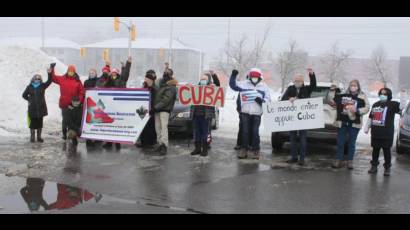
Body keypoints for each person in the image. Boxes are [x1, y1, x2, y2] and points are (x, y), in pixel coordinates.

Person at [229, 68, 270, 160]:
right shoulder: (244, 84)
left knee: (255, 132)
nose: (254, 78)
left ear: (259, 77)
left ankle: (256, 150)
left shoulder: (264, 86)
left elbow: (268, 99)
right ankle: (244, 149)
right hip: (245, 112)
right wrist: (233, 75)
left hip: (257, 113)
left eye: (256, 77)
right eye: (252, 77)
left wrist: (262, 101)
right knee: (245, 131)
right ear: (250, 76)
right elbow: (233, 86)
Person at [365, 88, 405, 176]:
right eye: (381, 93)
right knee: (375, 150)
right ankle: (374, 166)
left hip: (387, 133)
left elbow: (402, 107)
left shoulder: (393, 104)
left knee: (386, 151)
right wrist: (367, 127)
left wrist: (403, 95)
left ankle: (387, 168)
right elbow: (371, 117)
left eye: (385, 94)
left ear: (389, 95)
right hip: (376, 133)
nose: (382, 95)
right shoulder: (375, 104)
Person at [281, 68, 317, 166]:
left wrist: (311, 74)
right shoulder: (290, 89)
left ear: (302, 82)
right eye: (296, 80)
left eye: (299, 80)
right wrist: (289, 99)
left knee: (302, 139)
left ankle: (302, 158)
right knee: (292, 139)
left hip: (303, 119)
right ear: (294, 81)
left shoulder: (306, 89)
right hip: (292, 119)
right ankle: (294, 157)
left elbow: (314, 85)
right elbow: (283, 99)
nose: (297, 82)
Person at [332, 79, 370, 169]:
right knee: (340, 142)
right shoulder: (343, 94)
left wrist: (357, 110)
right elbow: (333, 101)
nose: (353, 87)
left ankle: (350, 161)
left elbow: (367, 107)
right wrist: (333, 91)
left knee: (351, 143)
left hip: (354, 123)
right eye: (351, 85)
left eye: (355, 85)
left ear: (358, 86)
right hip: (342, 121)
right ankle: (339, 160)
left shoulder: (362, 96)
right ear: (349, 86)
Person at [100, 57, 132, 150]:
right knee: (110, 124)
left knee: (118, 123)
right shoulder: (108, 81)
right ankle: (109, 142)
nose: (113, 74)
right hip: (110, 106)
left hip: (119, 105)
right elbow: (103, 85)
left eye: (115, 73)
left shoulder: (122, 80)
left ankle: (118, 142)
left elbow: (125, 74)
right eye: (112, 73)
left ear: (117, 74)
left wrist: (128, 64)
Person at [50, 63, 85, 140]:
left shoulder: (77, 82)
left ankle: (72, 134)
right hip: (64, 104)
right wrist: (52, 68)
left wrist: (79, 100)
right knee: (65, 119)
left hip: (73, 105)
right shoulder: (62, 79)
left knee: (71, 120)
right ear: (67, 71)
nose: (70, 73)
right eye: (69, 71)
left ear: (74, 72)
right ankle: (64, 133)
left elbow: (82, 92)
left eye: (72, 72)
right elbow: (53, 78)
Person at [190, 72, 219, 157]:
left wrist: (214, 75)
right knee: (197, 132)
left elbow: (218, 86)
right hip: (196, 114)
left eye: (205, 79)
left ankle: (205, 149)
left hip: (206, 115)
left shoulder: (212, 88)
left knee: (205, 133)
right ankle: (197, 148)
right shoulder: (195, 88)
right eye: (202, 79)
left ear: (208, 80)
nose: (203, 81)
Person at [153, 68, 178, 155]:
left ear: (171, 75)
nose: (165, 74)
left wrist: (156, 107)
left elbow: (166, 99)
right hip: (157, 109)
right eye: (164, 72)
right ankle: (159, 143)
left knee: (164, 128)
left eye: (167, 73)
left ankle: (164, 145)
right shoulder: (160, 83)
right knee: (157, 128)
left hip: (164, 109)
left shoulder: (171, 86)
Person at [22, 70, 52, 143]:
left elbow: (49, 81)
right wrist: (30, 100)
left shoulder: (42, 86)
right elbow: (24, 95)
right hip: (32, 108)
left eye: (38, 79)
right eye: (36, 78)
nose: (37, 80)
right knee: (32, 124)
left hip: (41, 108)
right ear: (33, 79)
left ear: (40, 80)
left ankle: (39, 137)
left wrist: (49, 73)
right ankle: (32, 137)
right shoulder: (29, 87)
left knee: (39, 123)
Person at [138, 70, 158, 148]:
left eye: (146, 78)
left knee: (150, 127)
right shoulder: (144, 87)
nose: (145, 79)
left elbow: (154, 99)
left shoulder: (154, 88)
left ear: (150, 79)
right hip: (144, 109)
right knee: (143, 127)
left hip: (151, 110)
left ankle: (150, 143)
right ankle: (143, 142)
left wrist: (152, 108)